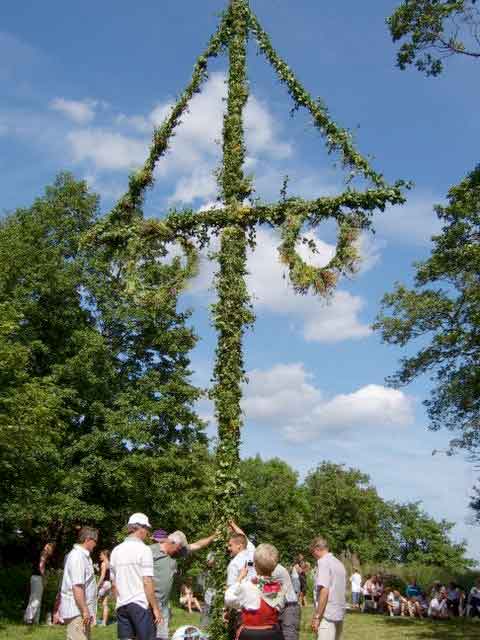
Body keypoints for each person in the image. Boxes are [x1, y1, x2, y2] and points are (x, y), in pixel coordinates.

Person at [150, 528, 215, 640]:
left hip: (164, 605)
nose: (180, 551)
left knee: (161, 636)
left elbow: (198, 545)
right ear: (172, 542)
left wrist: (213, 536)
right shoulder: (150, 551)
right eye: (179, 547)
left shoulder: (175, 553)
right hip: (149, 602)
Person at [110, 513, 162, 640]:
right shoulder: (144, 550)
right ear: (141, 528)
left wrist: (119, 601)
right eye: (147, 529)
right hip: (140, 605)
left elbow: (114, 583)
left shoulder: (116, 550)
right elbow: (147, 582)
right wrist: (155, 608)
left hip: (122, 605)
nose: (148, 532)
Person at [225, 543, 285, 640]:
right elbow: (279, 607)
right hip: (272, 634)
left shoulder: (247, 586)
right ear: (274, 566)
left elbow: (229, 598)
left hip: (250, 634)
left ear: (255, 565)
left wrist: (239, 579)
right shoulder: (278, 587)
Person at [59, 527, 98, 640]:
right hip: (77, 611)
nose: (96, 544)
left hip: (80, 610)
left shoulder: (83, 556)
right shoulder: (77, 557)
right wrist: (85, 610)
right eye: (95, 541)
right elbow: (77, 587)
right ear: (88, 539)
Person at [310, 537, 346, 640]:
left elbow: (324, 590)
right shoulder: (339, 563)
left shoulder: (323, 562)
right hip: (339, 613)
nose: (313, 556)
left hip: (327, 614)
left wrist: (317, 617)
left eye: (312, 552)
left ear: (316, 549)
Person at [24, 541, 55, 625]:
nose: (51, 551)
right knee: (35, 599)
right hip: (37, 577)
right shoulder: (44, 553)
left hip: (36, 577)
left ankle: (35, 620)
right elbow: (41, 566)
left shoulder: (42, 553)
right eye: (51, 549)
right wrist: (44, 578)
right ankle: (28, 618)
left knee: (37, 599)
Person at [272, 562, 300, 640]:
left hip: (289, 606)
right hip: (280, 606)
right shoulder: (269, 568)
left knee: (289, 636)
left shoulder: (276, 570)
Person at [227, 521, 256, 586]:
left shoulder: (234, 564)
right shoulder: (251, 552)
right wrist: (233, 524)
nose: (228, 548)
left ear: (239, 545)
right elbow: (244, 538)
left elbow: (231, 590)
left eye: (230, 545)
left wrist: (232, 524)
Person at [97, 549, 112, 626]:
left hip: (104, 584)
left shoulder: (103, 564)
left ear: (105, 555)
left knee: (94, 601)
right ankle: (104, 622)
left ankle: (92, 621)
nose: (100, 556)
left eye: (101, 555)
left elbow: (102, 576)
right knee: (104, 603)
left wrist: (98, 585)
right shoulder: (109, 563)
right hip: (109, 583)